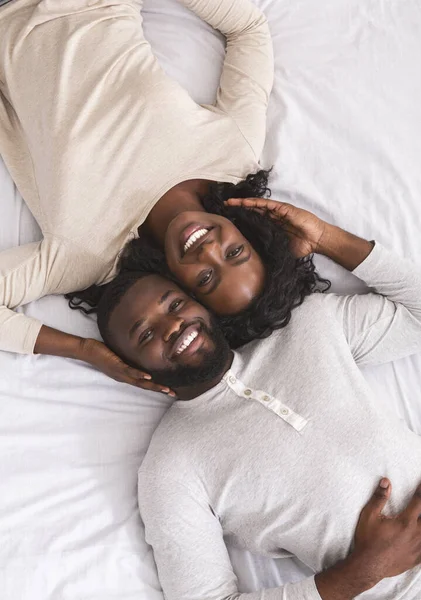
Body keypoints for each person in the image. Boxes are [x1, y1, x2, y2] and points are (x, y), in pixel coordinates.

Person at [96, 227, 421, 600]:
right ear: (135, 369)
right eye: (145, 335)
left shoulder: (309, 324)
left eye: (175, 305)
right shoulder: (171, 466)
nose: (172, 326)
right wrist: (363, 572)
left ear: (200, 303)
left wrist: (322, 235)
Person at [0, 0, 274, 391]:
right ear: (248, 233)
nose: (209, 250)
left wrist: (84, 350)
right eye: (235, 252)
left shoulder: (84, 256)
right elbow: (249, 30)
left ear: (181, 286)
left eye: (207, 278)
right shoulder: (233, 154)